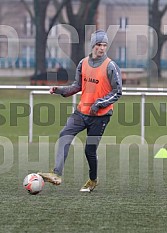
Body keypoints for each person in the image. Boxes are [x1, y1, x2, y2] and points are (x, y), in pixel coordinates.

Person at [38, 30, 122, 192]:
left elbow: (117, 92)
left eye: (104, 45)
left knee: (89, 149)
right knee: (64, 134)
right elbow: (77, 86)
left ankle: (92, 180)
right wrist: (59, 90)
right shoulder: (83, 63)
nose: (102, 48)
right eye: (98, 45)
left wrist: (99, 103)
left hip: (101, 116)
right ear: (92, 46)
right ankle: (56, 173)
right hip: (81, 112)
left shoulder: (111, 66)